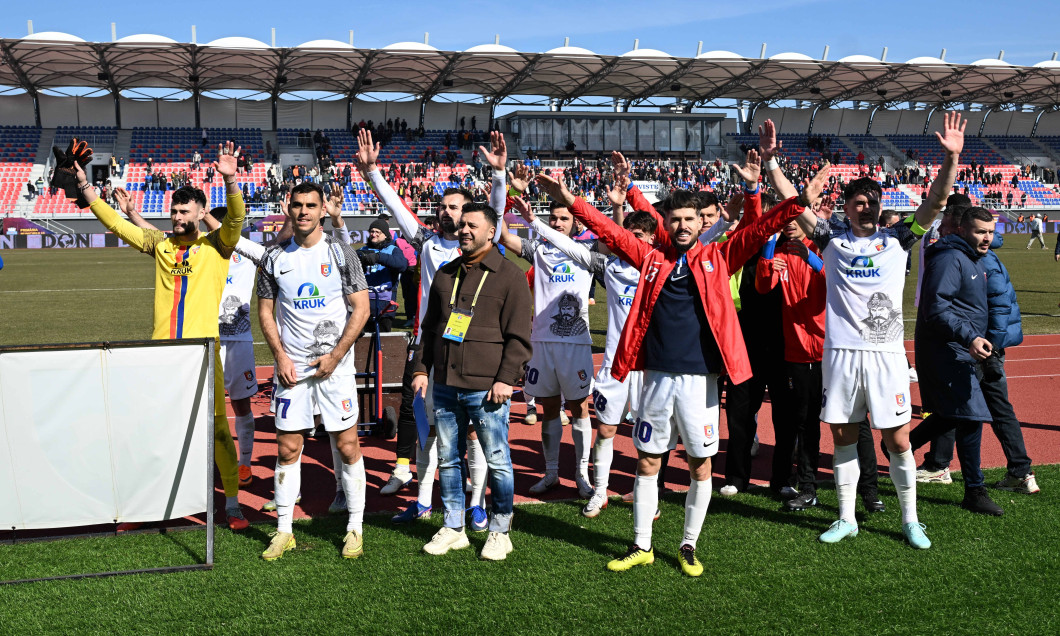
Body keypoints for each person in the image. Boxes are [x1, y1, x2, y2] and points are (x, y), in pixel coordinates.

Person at [536, 163, 829, 578]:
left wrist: (799, 201)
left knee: (700, 466)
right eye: (674, 219)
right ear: (665, 224)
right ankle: (641, 545)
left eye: (689, 219)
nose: (682, 225)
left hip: (700, 382)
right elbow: (608, 229)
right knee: (648, 462)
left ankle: (688, 544)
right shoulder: (651, 258)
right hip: (655, 378)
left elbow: (758, 228)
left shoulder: (719, 255)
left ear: (699, 223)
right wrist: (567, 199)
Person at [784, 111, 966, 550]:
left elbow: (936, 202)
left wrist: (951, 159)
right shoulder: (831, 240)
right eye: (858, 201)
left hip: (885, 355)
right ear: (846, 207)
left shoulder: (898, 238)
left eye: (872, 201)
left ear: (881, 206)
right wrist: (773, 164)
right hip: (842, 353)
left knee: (899, 439)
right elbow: (795, 204)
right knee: (843, 434)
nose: (866, 207)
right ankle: (846, 518)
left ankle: (910, 520)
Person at [69, 141, 250, 531]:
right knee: (153, 429)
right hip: (161, 355)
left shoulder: (218, 247)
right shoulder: (160, 245)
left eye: (184, 211)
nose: (176, 217)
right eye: (173, 211)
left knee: (218, 430)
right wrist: (87, 188)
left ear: (202, 213)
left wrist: (231, 180)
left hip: (203, 355)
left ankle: (232, 505)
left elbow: (236, 219)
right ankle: (148, 506)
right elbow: (117, 224)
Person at [357, 128, 505, 533]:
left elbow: (497, 213)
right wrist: (373, 174)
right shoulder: (424, 243)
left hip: (474, 351)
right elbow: (398, 207)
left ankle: (477, 505)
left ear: (468, 214)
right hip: (430, 350)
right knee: (428, 430)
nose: (446, 212)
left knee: (474, 433)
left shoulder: (481, 248)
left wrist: (498, 176)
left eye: (454, 207)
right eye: (441, 206)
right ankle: (423, 501)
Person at [510, 167, 654, 518]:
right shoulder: (608, 266)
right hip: (613, 363)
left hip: (652, 363)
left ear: (652, 239)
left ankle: (648, 494)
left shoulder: (661, 267)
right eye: (629, 234)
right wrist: (532, 222)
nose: (633, 240)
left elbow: (613, 233)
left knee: (651, 438)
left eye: (641, 235)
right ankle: (597, 490)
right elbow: (601, 238)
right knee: (605, 428)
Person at [256, 181, 371, 561]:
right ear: (288, 209)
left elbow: (362, 309)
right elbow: (265, 313)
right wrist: (280, 357)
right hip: (293, 371)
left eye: (310, 205)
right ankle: (284, 530)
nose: (303, 211)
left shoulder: (340, 253)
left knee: (347, 445)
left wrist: (337, 356)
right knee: (288, 448)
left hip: (334, 368)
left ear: (323, 210)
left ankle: (354, 526)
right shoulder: (273, 257)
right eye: (297, 205)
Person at [411, 202, 532, 561]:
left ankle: (500, 530)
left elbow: (519, 337)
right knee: (448, 459)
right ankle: (453, 526)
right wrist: (420, 368)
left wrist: (505, 379)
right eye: (461, 224)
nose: (463, 230)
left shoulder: (510, 276)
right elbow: (430, 329)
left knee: (498, 460)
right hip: (446, 383)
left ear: (491, 232)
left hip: (488, 388)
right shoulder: (446, 273)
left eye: (472, 225)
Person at [497, 197, 597, 500]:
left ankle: (581, 474)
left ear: (576, 222)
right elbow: (502, 236)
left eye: (564, 218)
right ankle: (551, 472)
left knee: (579, 408)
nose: (557, 223)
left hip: (576, 344)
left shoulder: (586, 253)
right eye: (553, 218)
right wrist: (502, 195)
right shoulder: (537, 250)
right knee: (549, 408)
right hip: (541, 343)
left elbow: (612, 237)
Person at [912, 206, 1003, 515]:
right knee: (971, 416)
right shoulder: (951, 258)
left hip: (962, 349)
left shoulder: (969, 257)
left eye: (990, 232)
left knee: (955, 414)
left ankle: (902, 446)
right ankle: (975, 491)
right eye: (980, 231)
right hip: (948, 351)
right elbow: (936, 309)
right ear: (963, 230)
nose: (987, 238)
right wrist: (969, 337)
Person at [356, 218, 408, 333]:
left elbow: (402, 265)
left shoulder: (393, 250)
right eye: (371, 231)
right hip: (363, 303)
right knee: (362, 344)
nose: (373, 235)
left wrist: (379, 257)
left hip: (385, 304)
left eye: (377, 232)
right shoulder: (362, 250)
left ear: (385, 235)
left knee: (384, 343)